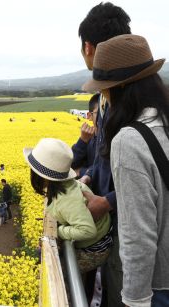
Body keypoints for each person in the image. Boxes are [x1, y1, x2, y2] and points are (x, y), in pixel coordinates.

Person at [82, 34, 169, 307]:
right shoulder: (163, 120)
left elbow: (137, 238)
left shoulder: (129, 140)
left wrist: (135, 301)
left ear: (115, 89)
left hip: (157, 287)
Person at [78, 3, 131, 306]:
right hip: (112, 228)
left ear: (88, 47)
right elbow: (102, 158)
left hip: (130, 231)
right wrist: (87, 176)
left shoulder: (134, 105)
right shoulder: (103, 99)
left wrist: (106, 202)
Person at [24, 138, 112, 274]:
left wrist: (58, 231)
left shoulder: (67, 199)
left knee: (53, 272)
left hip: (95, 249)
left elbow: (88, 230)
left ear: (43, 177)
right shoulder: (64, 187)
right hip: (93, 241)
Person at [71, 94, 100, 178]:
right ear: (89, 116)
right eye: (100, 113)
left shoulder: (116, 139)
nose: (105, 117)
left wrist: (81, 171)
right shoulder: (88, 138)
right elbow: (71, 164)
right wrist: (82, 141)